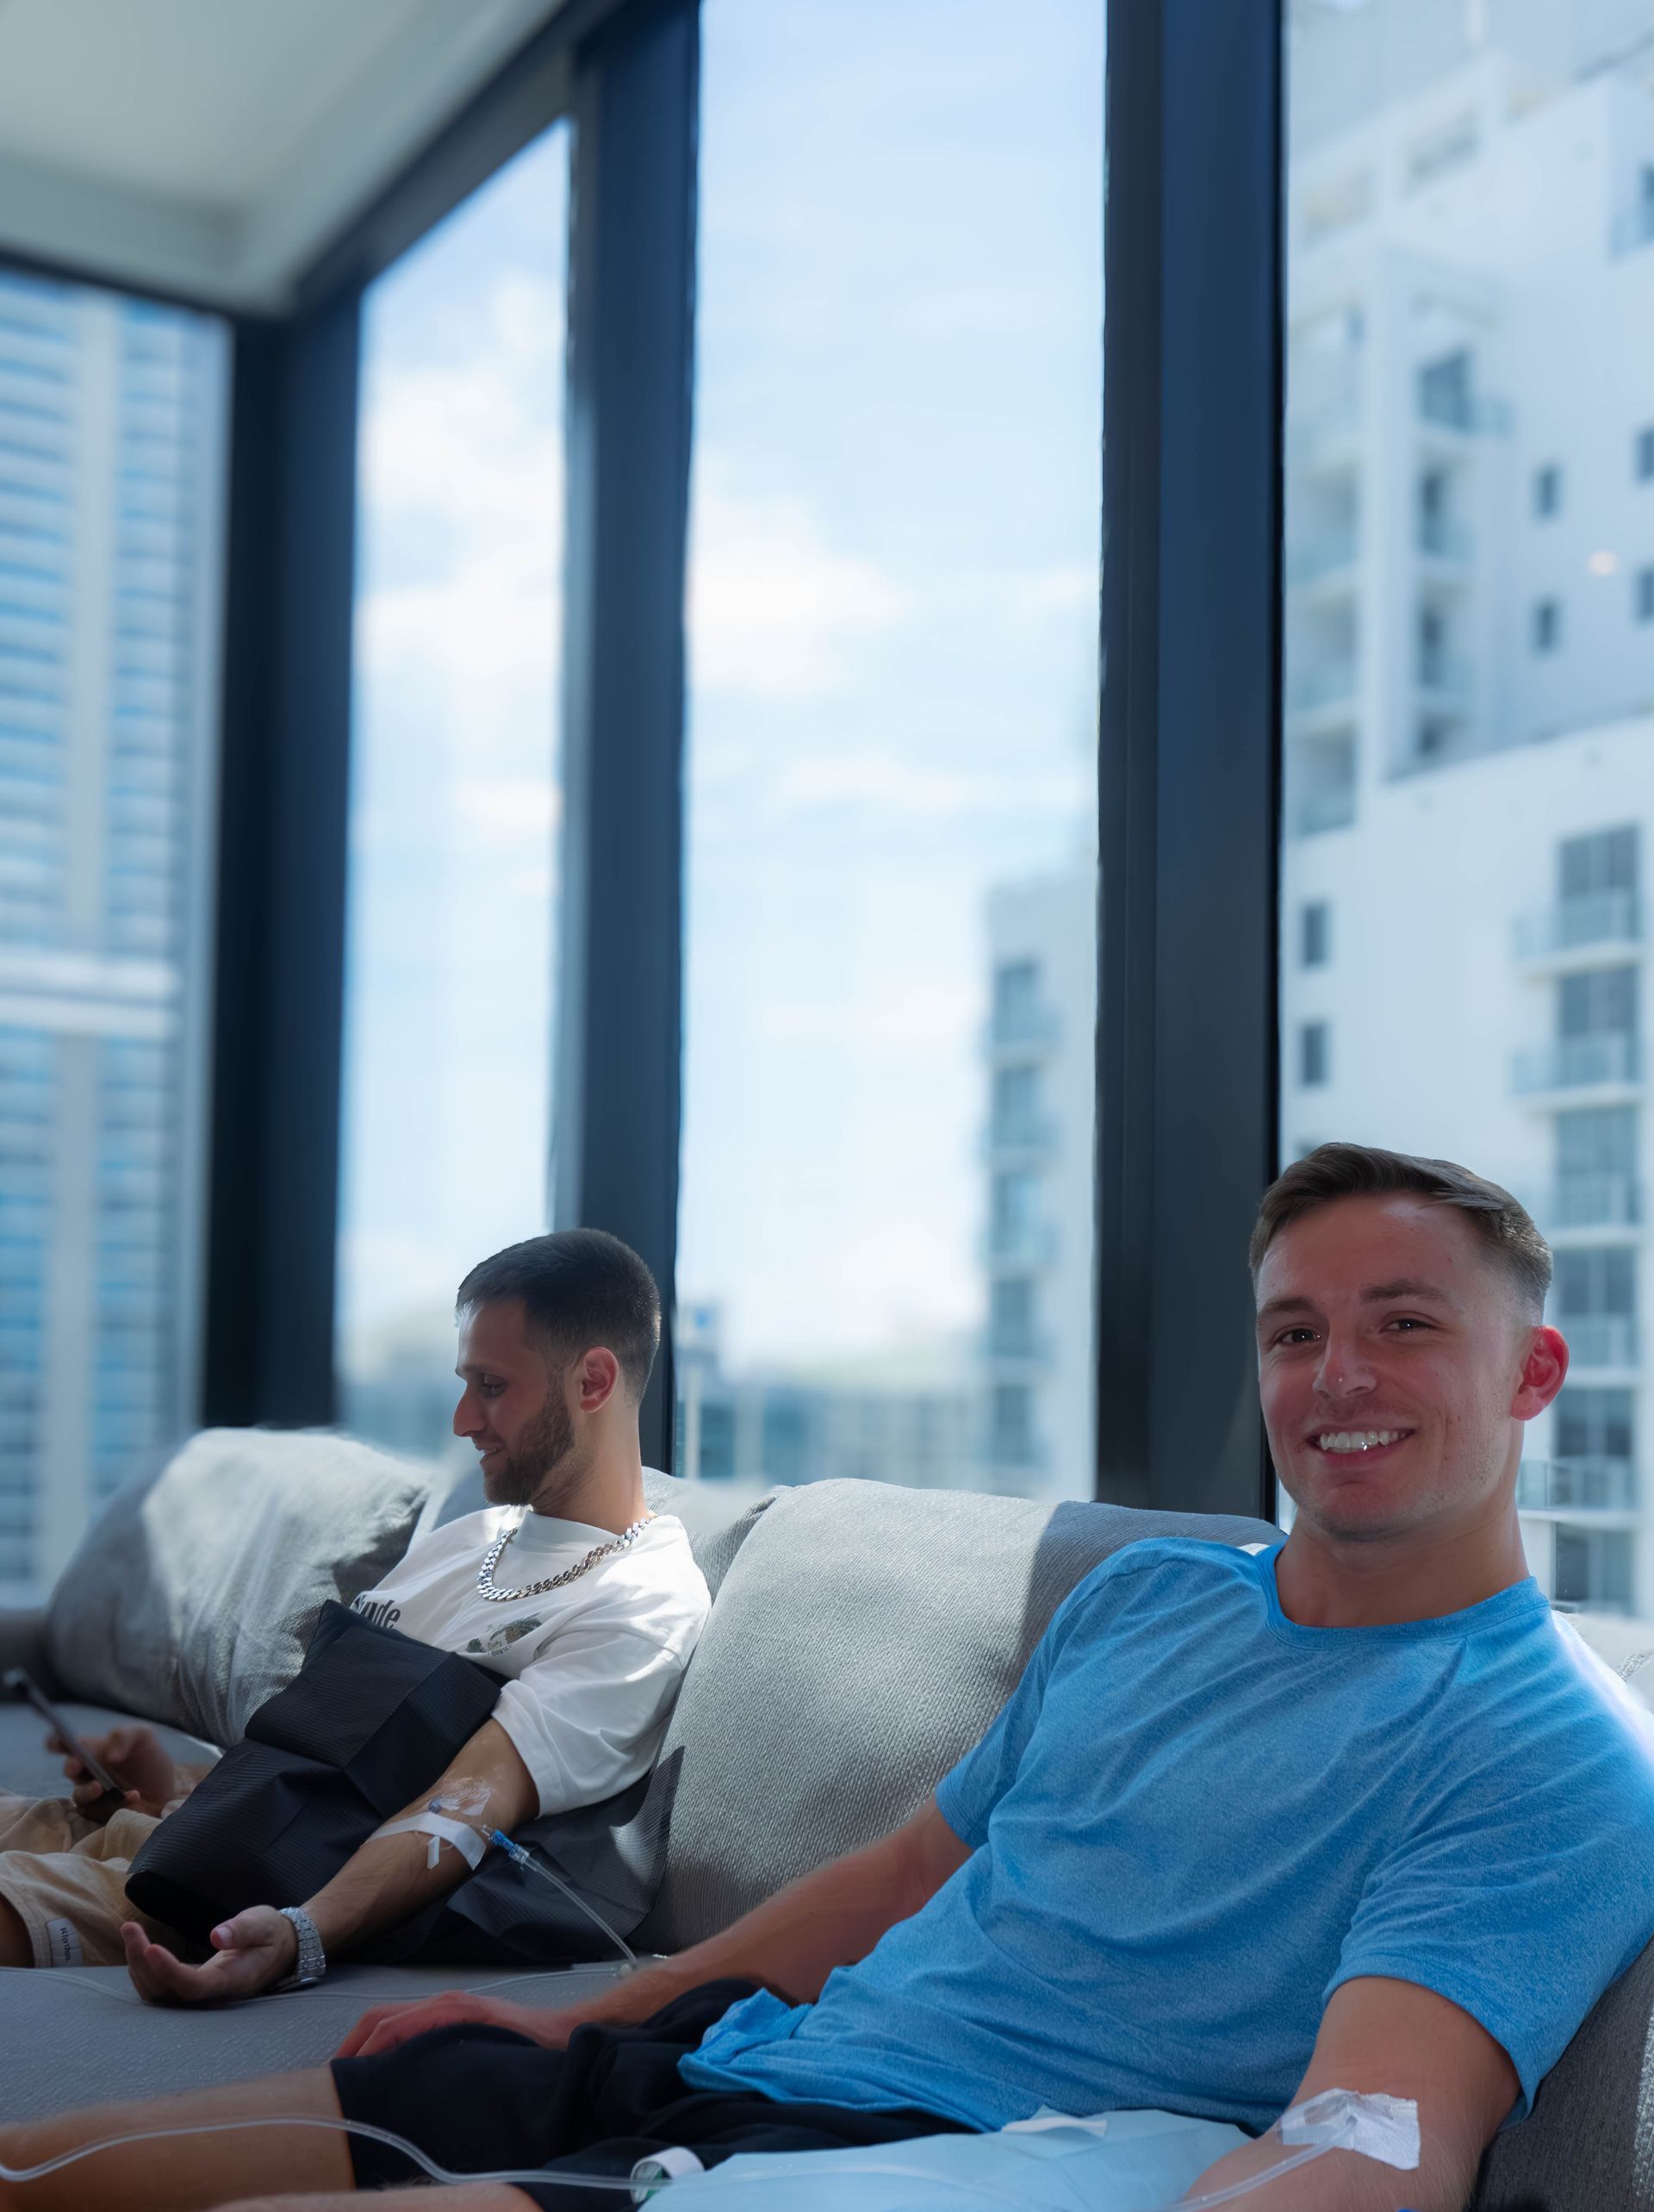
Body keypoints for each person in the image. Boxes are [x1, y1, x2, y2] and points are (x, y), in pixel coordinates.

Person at [6, 1142, 1654, 2212]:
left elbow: (1379, 2141)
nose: (1337, 1375)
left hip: (913, 2157)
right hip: (743, 2054)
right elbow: (905, 1869)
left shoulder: (1552, 1750)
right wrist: (593, 2007)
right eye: (1296, 1331)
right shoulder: (1152, 1597)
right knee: (51, 2166)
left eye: (1406, 1324)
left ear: (1534, 1373)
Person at [0, 1227, 710, 2006]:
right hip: (181, 1834)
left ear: (595, 1380)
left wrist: (300, 1933)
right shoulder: (464, 1541)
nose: (463, 1418)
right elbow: (320, 1766)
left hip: (221, 1894)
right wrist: (166, 1784)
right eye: (464, 1382)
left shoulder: (638, 1601)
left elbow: (468, 1802)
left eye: (493, 1386)